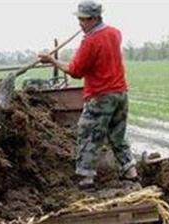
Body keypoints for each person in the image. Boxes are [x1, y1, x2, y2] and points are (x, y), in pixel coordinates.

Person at [38, 0, 138, 190]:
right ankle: (130, 172)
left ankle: (86, 180)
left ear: (93, 19)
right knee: (118, 135)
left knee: (87, 134)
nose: (80, 23)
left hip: (101, 96)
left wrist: (52, 60)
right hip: (120, 94)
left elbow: (75, 71)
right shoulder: (115, 33)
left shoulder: (91, 41)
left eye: (83, 20)